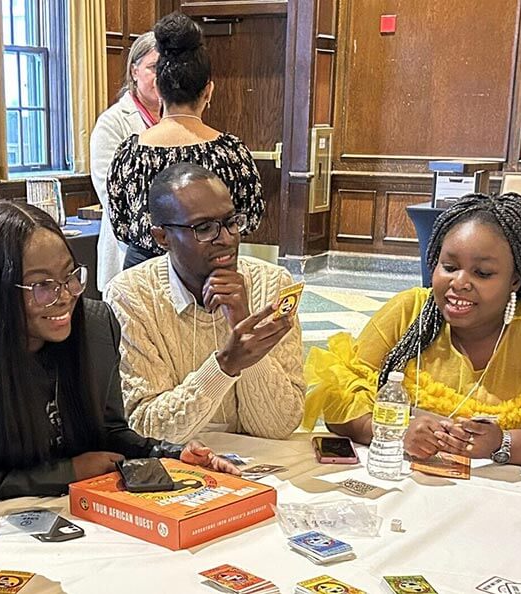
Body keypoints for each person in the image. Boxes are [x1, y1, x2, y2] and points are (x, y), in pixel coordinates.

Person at [304, 193, 521, 465]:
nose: (459, 283)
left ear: (515, 280)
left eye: (482, 274)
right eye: (448, 267)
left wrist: (504, 443)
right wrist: (394, 429)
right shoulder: (410, 312)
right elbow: (337, 406)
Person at [0, 200, 239, 500]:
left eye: (70, 276)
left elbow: (110, 431)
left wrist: (171, 455)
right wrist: (67, 473)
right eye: (42, 286)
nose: (65, 296)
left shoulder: (95, 326)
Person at [106, 163, 304, 443]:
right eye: (204, 228)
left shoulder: (272, 284)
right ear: (162, 237)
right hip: (176, 468)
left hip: (259, 464)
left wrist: (244, 327)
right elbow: (146, 428)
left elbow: (280, 426)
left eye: (231, 222)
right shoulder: (130, 296)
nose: (225, 238)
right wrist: (226, 364)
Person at [107, 12, 263, 269]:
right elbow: (250, 219)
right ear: (208, 90)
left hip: (142, 275)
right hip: (211, 271)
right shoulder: (232, 152)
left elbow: (122, 227)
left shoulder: (129, 153)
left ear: (159, 88)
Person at [91, 32, 160, 291]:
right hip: (128, 250)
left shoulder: (176, 118)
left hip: (172, 254)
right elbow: (111, 194)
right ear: (134, 71)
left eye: (166, 67)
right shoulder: (113, 122)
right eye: (153, 67)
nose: (161, 75)